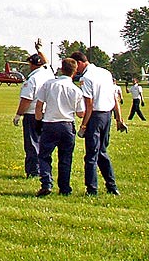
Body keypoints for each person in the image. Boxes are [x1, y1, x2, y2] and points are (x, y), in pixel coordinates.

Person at [73, 50, 124, 196]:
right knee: (102, 151)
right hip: (107, 115)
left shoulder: (86, 78)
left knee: (91, 155)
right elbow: (114, 97)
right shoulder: (105, 73)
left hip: (94, 116)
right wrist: (119, 118)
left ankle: (92, 189)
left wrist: (83, 126)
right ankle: (111, 185)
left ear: (80, 63)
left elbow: (89, 105)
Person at [34, 57, 84, 196]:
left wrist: (38, 121)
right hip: (67, 125)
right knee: (65, 158)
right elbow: (80, 113)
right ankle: (64, 188)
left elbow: (39, 106)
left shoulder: (49, 84)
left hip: (50, 123)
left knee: (44, 155)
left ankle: (46, 183)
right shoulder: (76, 90)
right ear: (74, 72)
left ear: (61, 69)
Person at [14, 52, 54, 178]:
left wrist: (18, 114)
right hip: (46, 113)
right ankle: (44, 169)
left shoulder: (32, 79)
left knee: (32, 143)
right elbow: (47, 63)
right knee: (44, 142)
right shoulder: (48, 74)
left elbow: (27, 99)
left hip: (31, 114)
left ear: (32, 64)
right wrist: (41, 50)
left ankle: (33, 170)